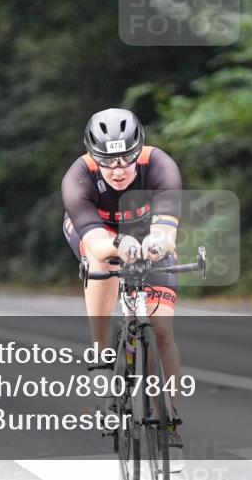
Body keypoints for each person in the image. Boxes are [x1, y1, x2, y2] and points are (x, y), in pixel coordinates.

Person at [61, 108, 185, 450]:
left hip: (146, 231)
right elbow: (99, 244)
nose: (117, 170)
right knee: (100, 262)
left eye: (126, 159)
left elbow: (165, 231)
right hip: (98, 233)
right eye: (107, 161)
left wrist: (158, 243)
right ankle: (101, 350)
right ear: (92, 156)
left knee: (161, 330)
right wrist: (117, 243)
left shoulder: (160, 166)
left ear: (139, 151)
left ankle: (169, 413)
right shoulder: (78, 176)